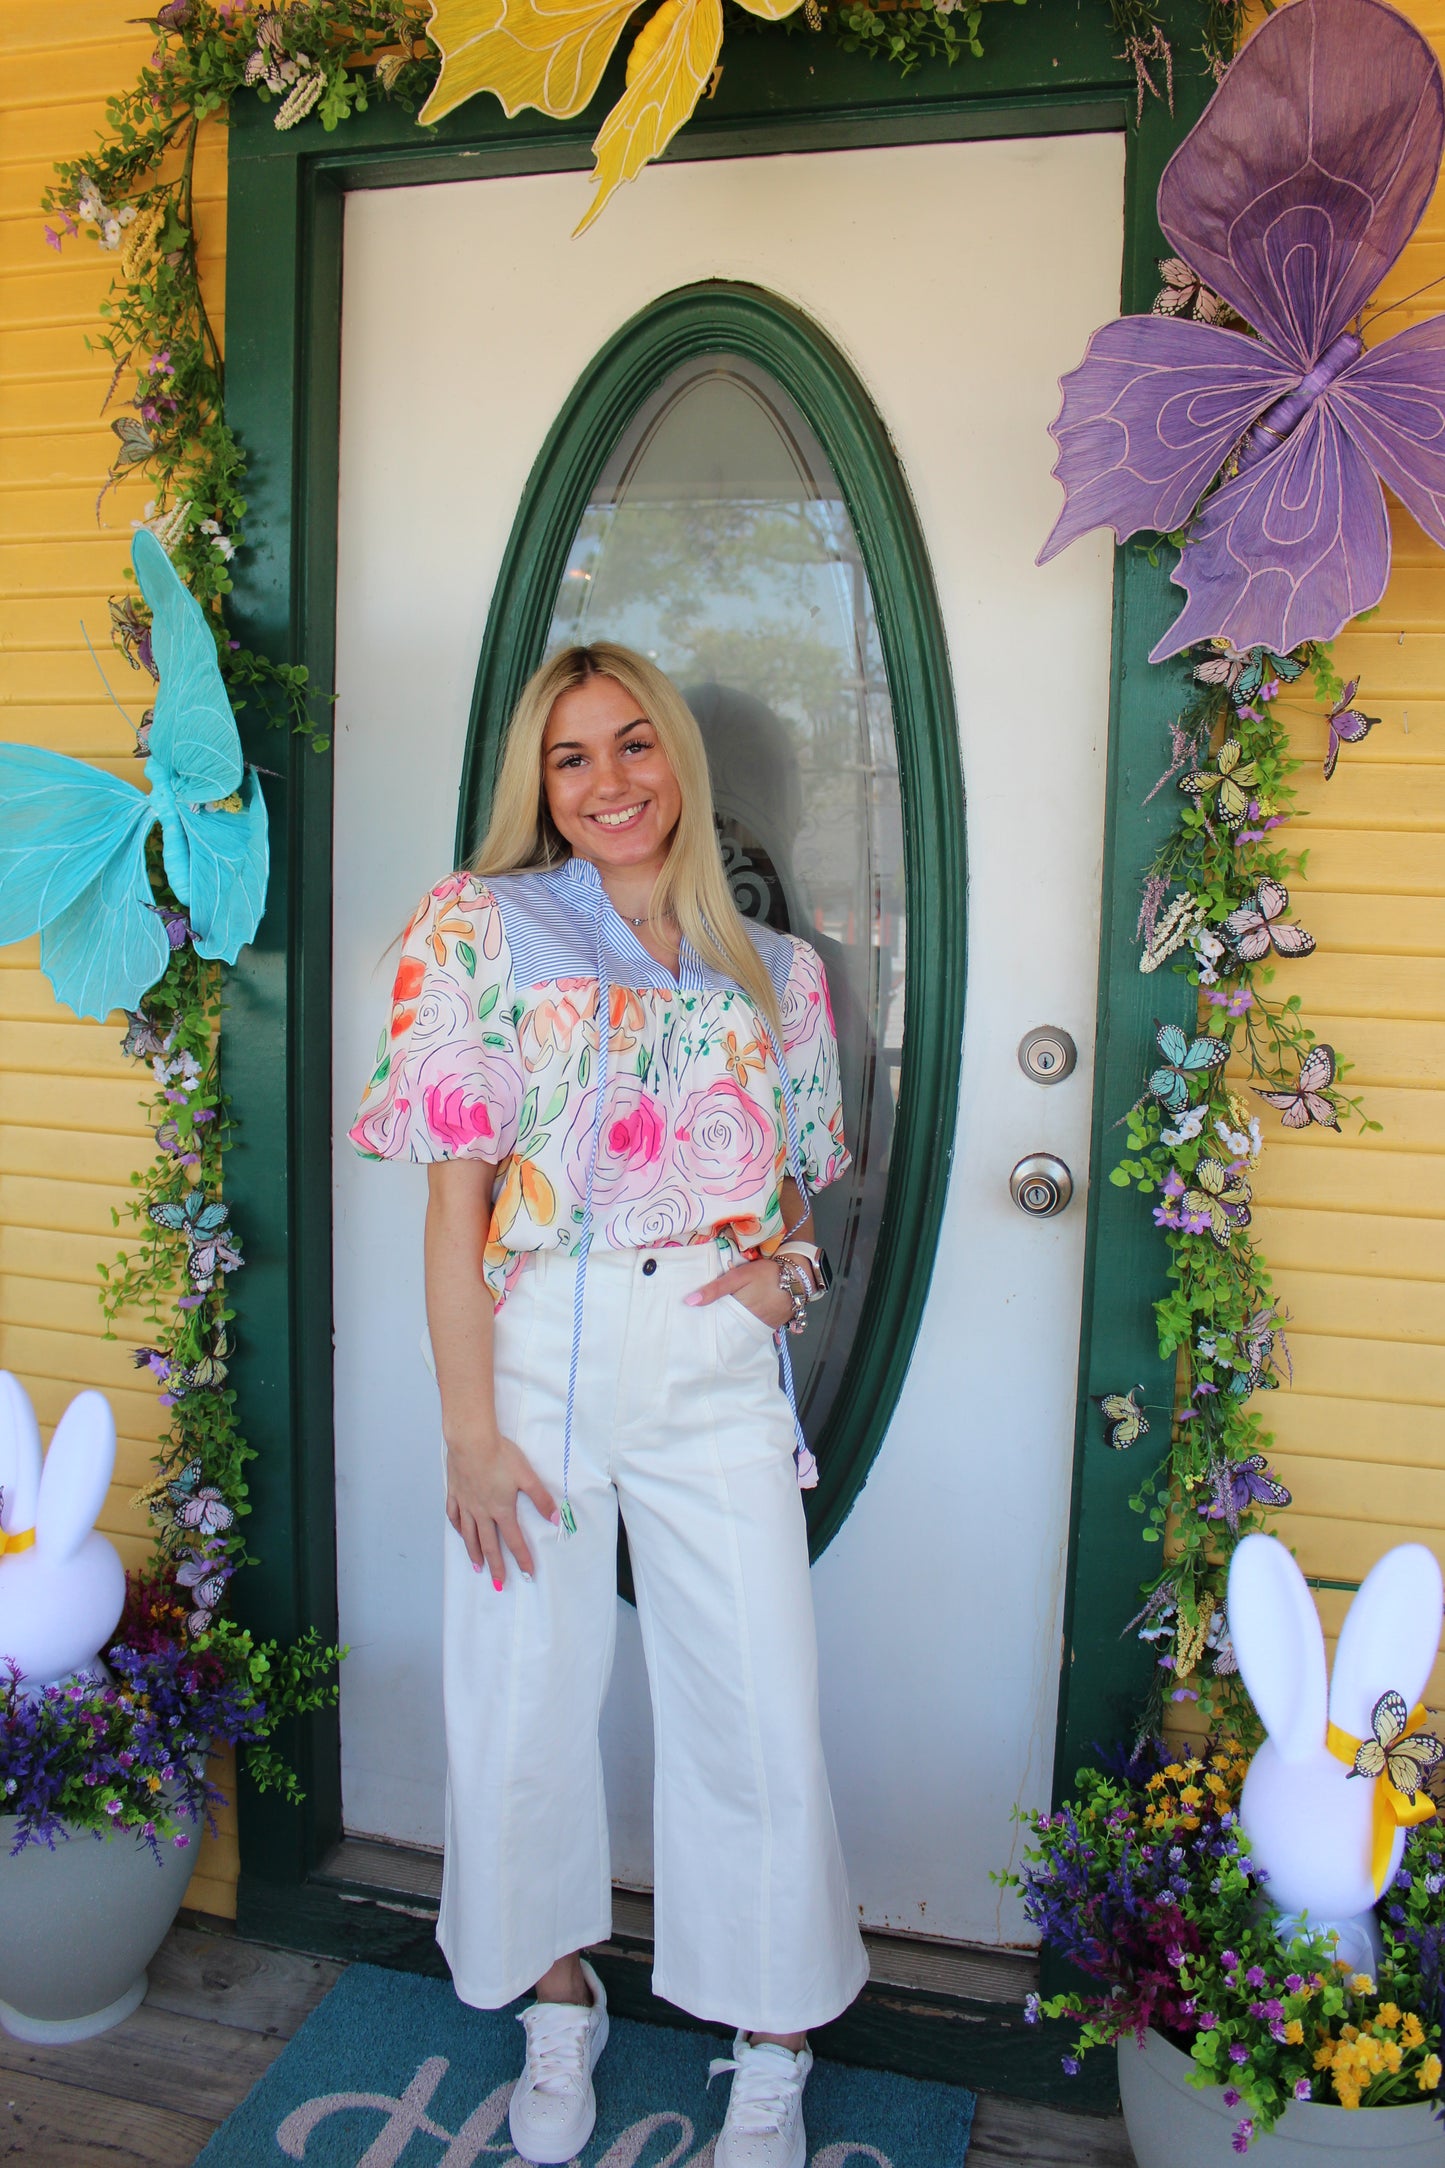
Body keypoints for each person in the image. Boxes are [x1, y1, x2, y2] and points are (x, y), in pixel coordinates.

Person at [349, 642, 868, 2168]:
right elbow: (452, 1214)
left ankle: (768, 2038)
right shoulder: (477, 930)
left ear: (679, 765)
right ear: (540, 783)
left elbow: (787, 1195)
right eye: (572, 757)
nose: (609, 783)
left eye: (633, 745)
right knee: (519, 1694)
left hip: (705, 1363)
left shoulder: (778, 967)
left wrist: (784, 1279)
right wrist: (465, 1429)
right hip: (535, 1354)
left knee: (756, 1704)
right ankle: (556, 1994)